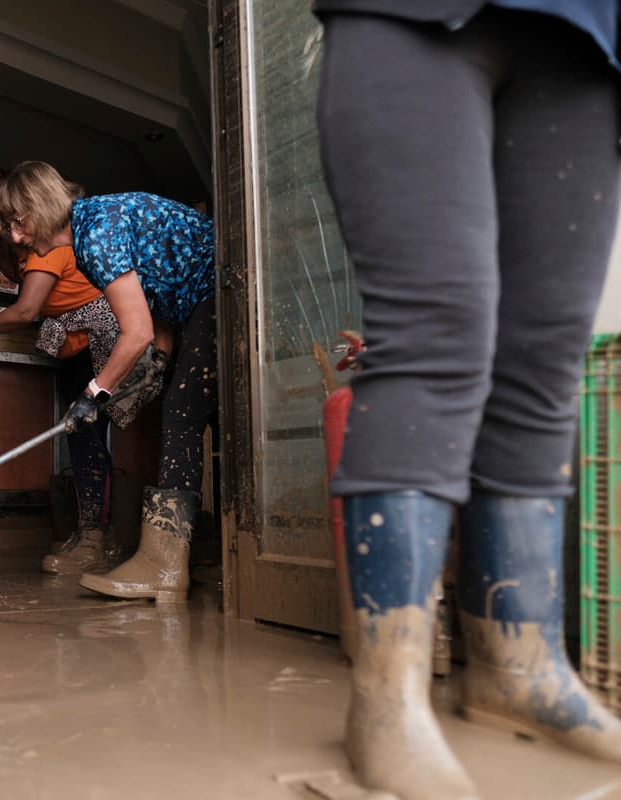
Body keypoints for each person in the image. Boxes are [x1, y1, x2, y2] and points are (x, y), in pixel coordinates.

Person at [311, 2, 621, 798]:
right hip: (409, 13)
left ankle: (519, 668)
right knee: (431, 332)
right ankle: (387, 693)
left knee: (543, 361)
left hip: (587, 38)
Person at [0, 161, 215, 602]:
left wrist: (94, 393)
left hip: (224, 286)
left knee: (183, 413)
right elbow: (160, 288)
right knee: (197, 409)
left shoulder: (95, 232)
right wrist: (162, 357)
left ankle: (165, 567)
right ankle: (201, 554)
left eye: (18, 222)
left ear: (41, 205)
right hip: (201, 300)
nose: (15, 237)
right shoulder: (91, 227)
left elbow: (137, 332)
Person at [0, 162, 127, 575]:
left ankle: (96, 539)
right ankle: (90, 532)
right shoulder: (26, 249)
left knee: (87, 437)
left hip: (96, 342)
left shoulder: (49, 248)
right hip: (76, 344)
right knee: (79, 438)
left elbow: (27, 309)